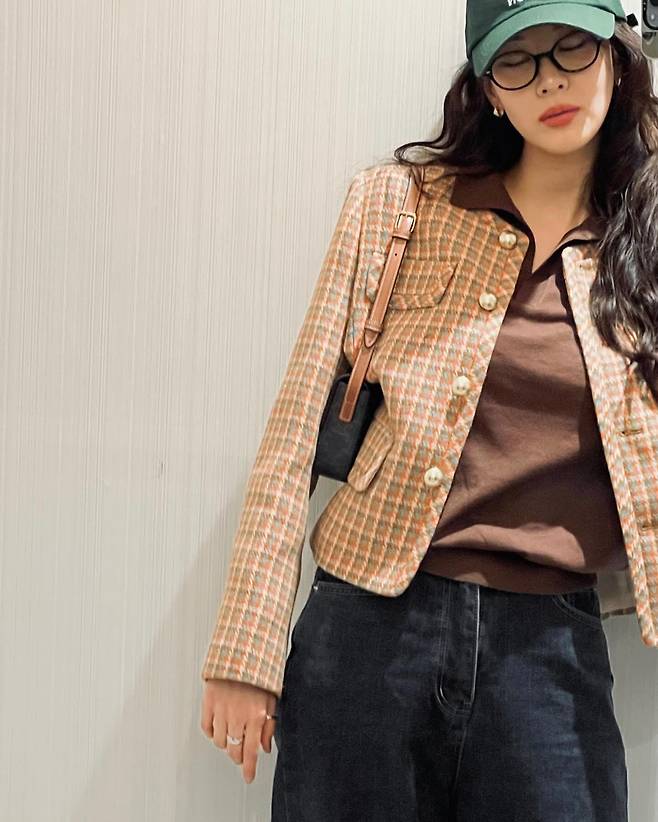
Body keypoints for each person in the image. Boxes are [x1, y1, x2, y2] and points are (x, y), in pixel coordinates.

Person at [200, 1, 658, 819]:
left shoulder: (646, 243)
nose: (548, 79)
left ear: (616, 57)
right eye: (516, 60)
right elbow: (295, 426)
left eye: (571, 48)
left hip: (552, 652)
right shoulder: (398, 205)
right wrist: (246, 651)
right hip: (369, 628)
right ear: (489, 90)